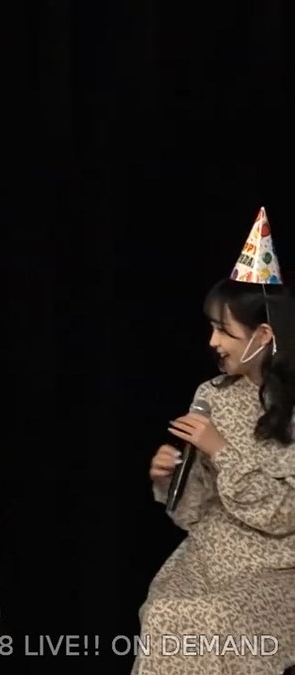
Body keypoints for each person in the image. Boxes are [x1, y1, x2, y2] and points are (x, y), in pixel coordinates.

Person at [136, 207, 295, 675]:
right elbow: (192, 512)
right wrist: (171, 477)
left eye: (224, 330)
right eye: (211, 327)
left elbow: (286, 515)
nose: (213, 342)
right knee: (166, 613)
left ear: (263, 335)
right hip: (209, 555)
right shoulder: (211, 394)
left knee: (214, 621)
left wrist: (222, 451)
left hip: (278, 567)